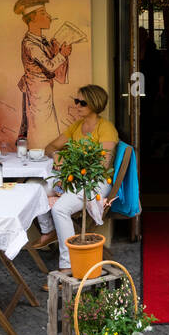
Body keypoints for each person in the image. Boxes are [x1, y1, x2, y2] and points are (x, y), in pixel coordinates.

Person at [38, 84, 119, 273]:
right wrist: (57, 154)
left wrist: (71, 170)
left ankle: (67, 265)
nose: (77, 105)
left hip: (95, 181)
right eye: (76, 101)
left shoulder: (105, 128)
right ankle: (48, 231)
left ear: (94, 104)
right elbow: (49, 147)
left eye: (82, 102)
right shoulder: (77, 126)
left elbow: (101, 165)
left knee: (59, 208)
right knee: (38, 188)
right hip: (74, 177)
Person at [15, 0, 71, 149]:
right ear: (32, 18)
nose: (49, 17)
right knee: (40, 127)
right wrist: (62, 55)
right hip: (37, 91)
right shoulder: (30, 43)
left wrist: (56, 51)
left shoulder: (41, 40)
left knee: (47, 126)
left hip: (43, 90)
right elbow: (49, 66)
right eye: (43, 13)